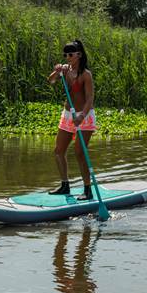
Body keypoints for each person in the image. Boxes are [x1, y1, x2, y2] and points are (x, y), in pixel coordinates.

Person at [46, 39, 97, 199]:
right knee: (58, 151)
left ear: (79, 55)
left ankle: (87, 190)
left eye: (70, 54)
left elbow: (90, 99)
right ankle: (65, 185)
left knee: (79, 152)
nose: (67, 57)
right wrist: (56, 71)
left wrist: (81, 116)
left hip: (85, 116)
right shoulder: (66, 70)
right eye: (65, 54)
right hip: (68, 115)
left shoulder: (86, 75)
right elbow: (51, 81)